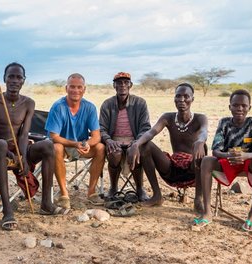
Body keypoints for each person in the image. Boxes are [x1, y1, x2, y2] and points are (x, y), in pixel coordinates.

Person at [0, 62, 67, 231]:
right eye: (11, 76)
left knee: (48, 146)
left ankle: (46, 204)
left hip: (20, 147)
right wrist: (7, 151)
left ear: (24, 80)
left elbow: (24, 133)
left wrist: (23, 157)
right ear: (5, 79)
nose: (14, 80)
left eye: (18, 77)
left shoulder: (29, 103)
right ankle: (7, 211)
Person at [127, 83, 208, 211]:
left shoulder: (200, 118)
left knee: (203, 148)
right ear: (174, 99)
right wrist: (136, 144)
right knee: (145, 146)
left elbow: (204, 132)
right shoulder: (168, 117)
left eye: (186, 96)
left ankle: (198, 199)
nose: (182, 100)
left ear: (192, 99)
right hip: (172, 168)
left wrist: (201, 141)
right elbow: (151, 132)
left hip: (193, 169)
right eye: (178, 96)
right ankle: (157, 196)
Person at [195, 89, 252, 231]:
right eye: (235, 105)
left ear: (249, 108)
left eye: (244, 106)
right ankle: (207, 211)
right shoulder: (224, 123)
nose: (239, 108)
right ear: (230, 107)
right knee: (207, 160)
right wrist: (229, 156)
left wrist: (245, 156)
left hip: (247, 161)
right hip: (228, 160)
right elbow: (216, 150)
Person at [45, 73, 105, 209]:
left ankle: (92, 192)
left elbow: (96, 136)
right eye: (72, 87)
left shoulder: (89, 107)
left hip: (81, 146)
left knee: (101, 147)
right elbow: (54, 136)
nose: (75, 90)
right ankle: (64, 194)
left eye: (79, 87)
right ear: (66, 88)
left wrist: (86, 144)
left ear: (84, 89)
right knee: (57, 148)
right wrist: (75, 144)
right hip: (64, 147)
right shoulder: (58, 107)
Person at [99, 72, 151, 201]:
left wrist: (136, 143)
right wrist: (109, 140)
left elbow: (145, 128)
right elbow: (101, 128)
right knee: (114, 153)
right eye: (119, 83)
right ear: (114, 86)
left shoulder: (140, 103)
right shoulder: (107, 104)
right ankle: (113, 188)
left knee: (135, 152)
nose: (122, 85)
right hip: (114, 139)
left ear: (130, 85)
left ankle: (139, 189)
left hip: (134, 139)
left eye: (126, 82)